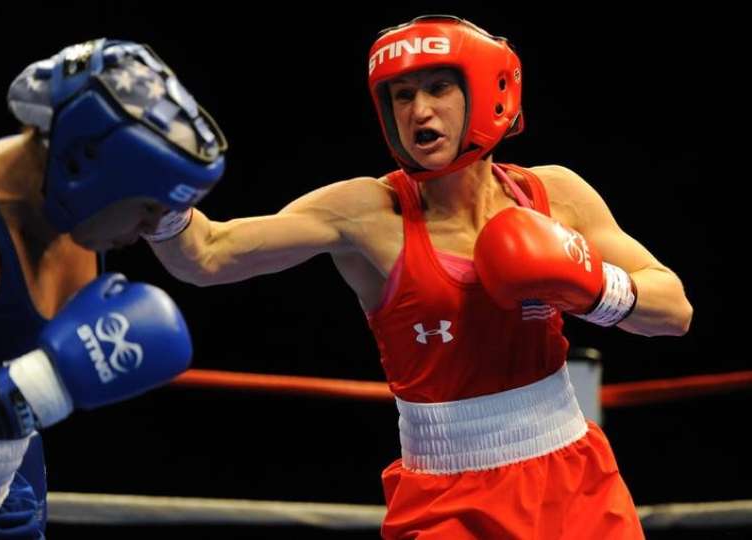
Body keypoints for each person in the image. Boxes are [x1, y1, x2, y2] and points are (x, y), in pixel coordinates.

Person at [148, 15, 692, 539]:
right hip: (447, 499)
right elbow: (207, 255)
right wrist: (160, 190)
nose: (419, 110)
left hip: (575, 480)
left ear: (486, 92)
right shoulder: (368, 213)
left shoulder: (554, 195)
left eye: (438, 88)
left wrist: (593, 288)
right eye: (402, 96)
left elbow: (675, 310)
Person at [0, 38, 227, 538]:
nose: (153, 227)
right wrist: (32, 391)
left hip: (9, 490)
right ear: (85, 169)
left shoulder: (71, 224)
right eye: (149, 206)